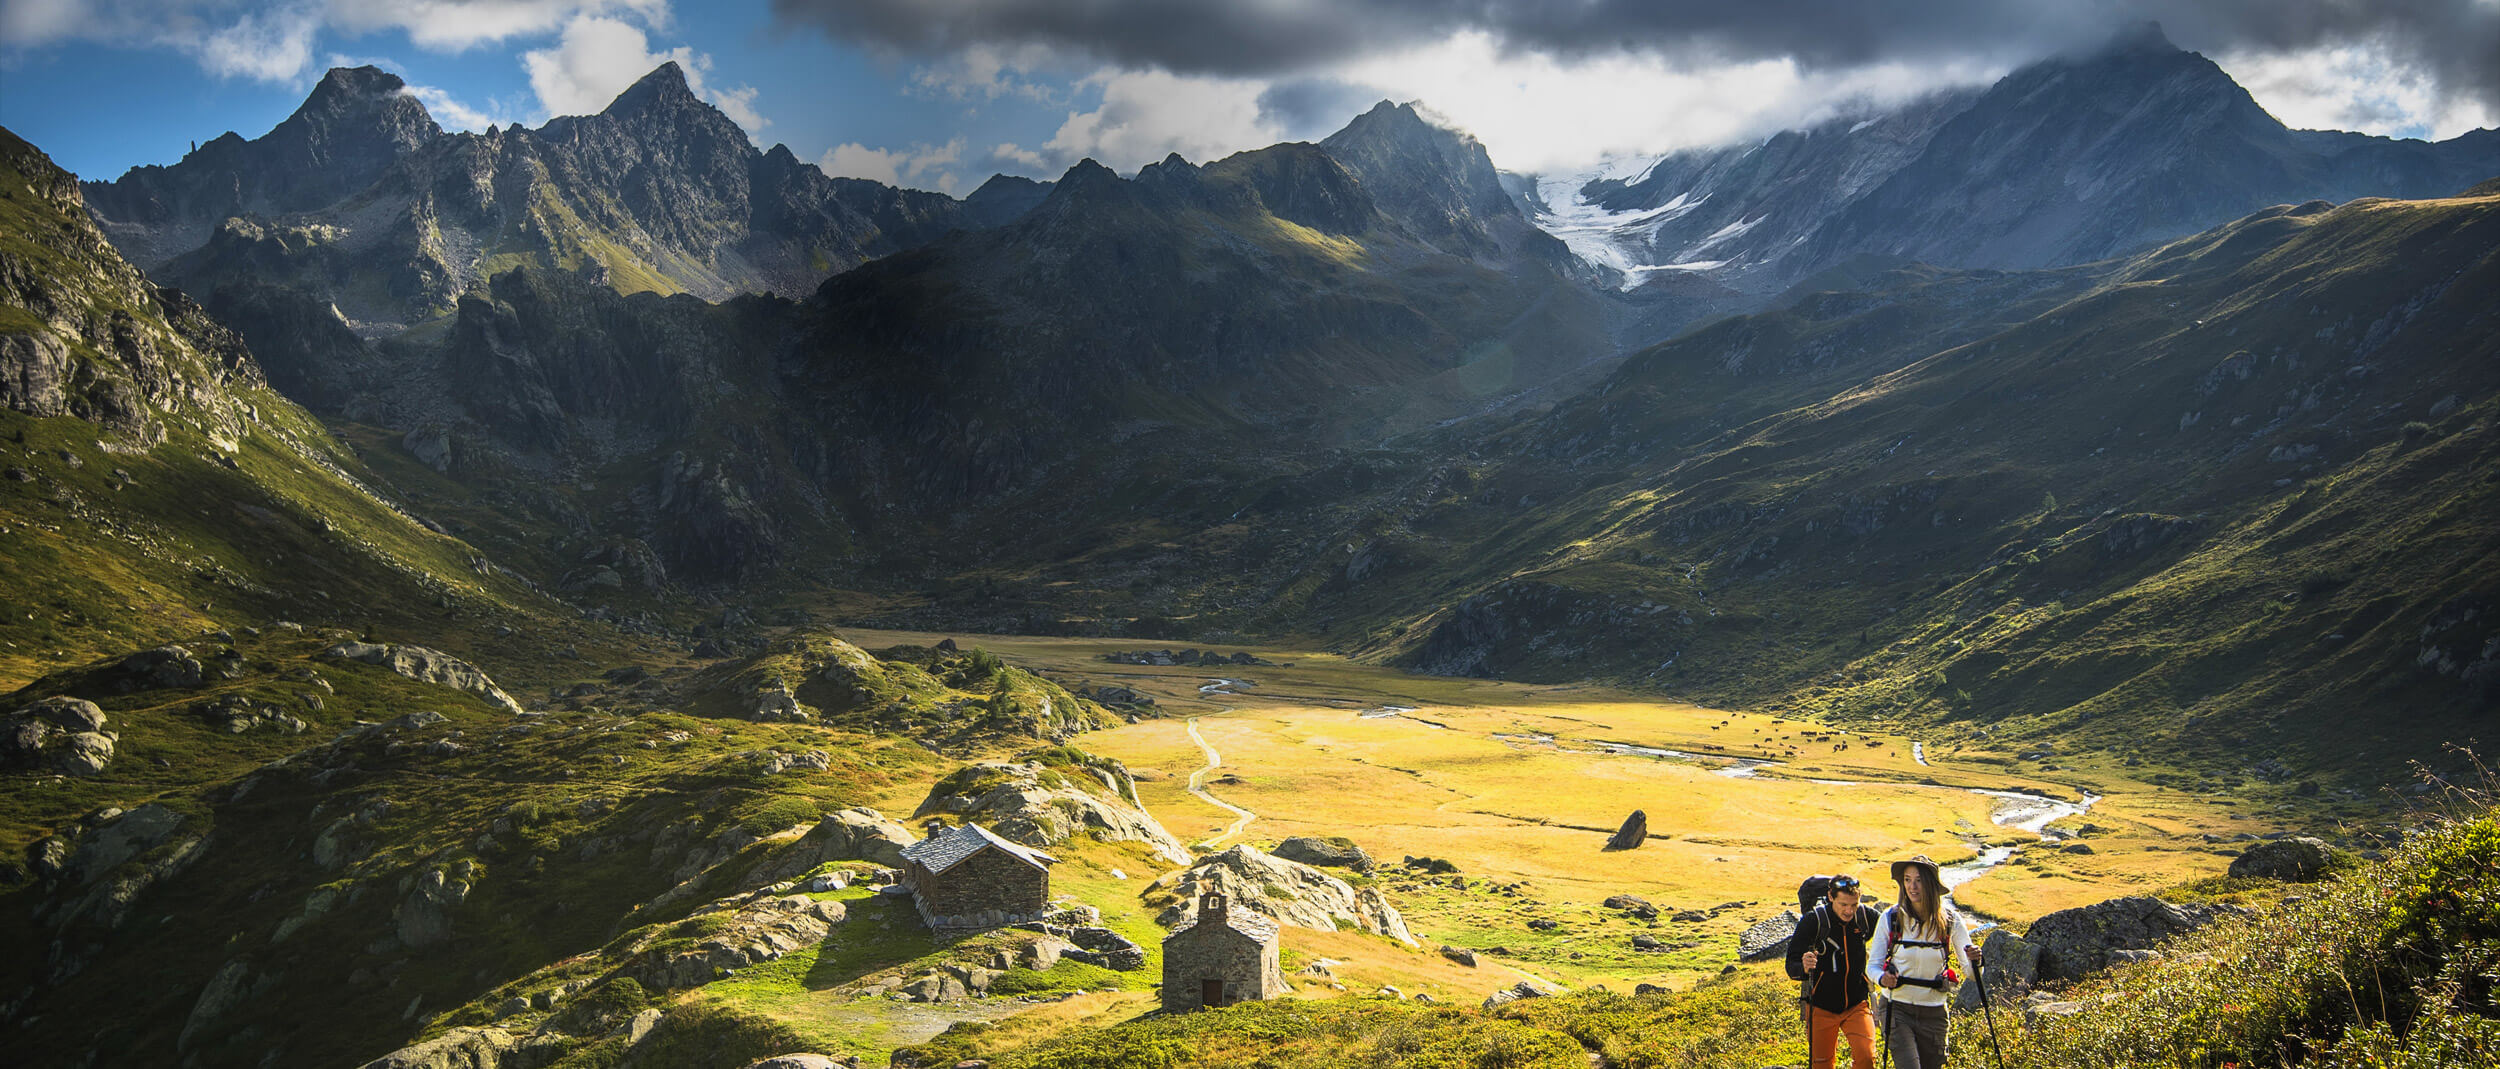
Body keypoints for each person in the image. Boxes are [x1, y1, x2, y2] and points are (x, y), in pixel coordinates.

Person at [1868, 855, 1981, 1068]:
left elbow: (1973, 974)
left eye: (1918, 880)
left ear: (1930, 884)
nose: (1912, 886)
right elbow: (1872, 965)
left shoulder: (1950, 921)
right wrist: (1882, 979)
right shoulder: (1890, 917)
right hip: (1896, 1007)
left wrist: (1977, 960)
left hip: (1934, 1012)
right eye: (1908, 880)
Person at [1785, 874, 1879, 1069]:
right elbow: (1791, 965)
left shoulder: (1866, 917)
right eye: (1843, 904)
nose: (1849, 911)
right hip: (1820, 1006)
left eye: (1854, 905)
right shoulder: (1813, 921)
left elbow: (1891, 936)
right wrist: (1802, 967)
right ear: (1830, 897)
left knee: (1867, 1057)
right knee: (1822, 1064)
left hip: (1856, 1003)